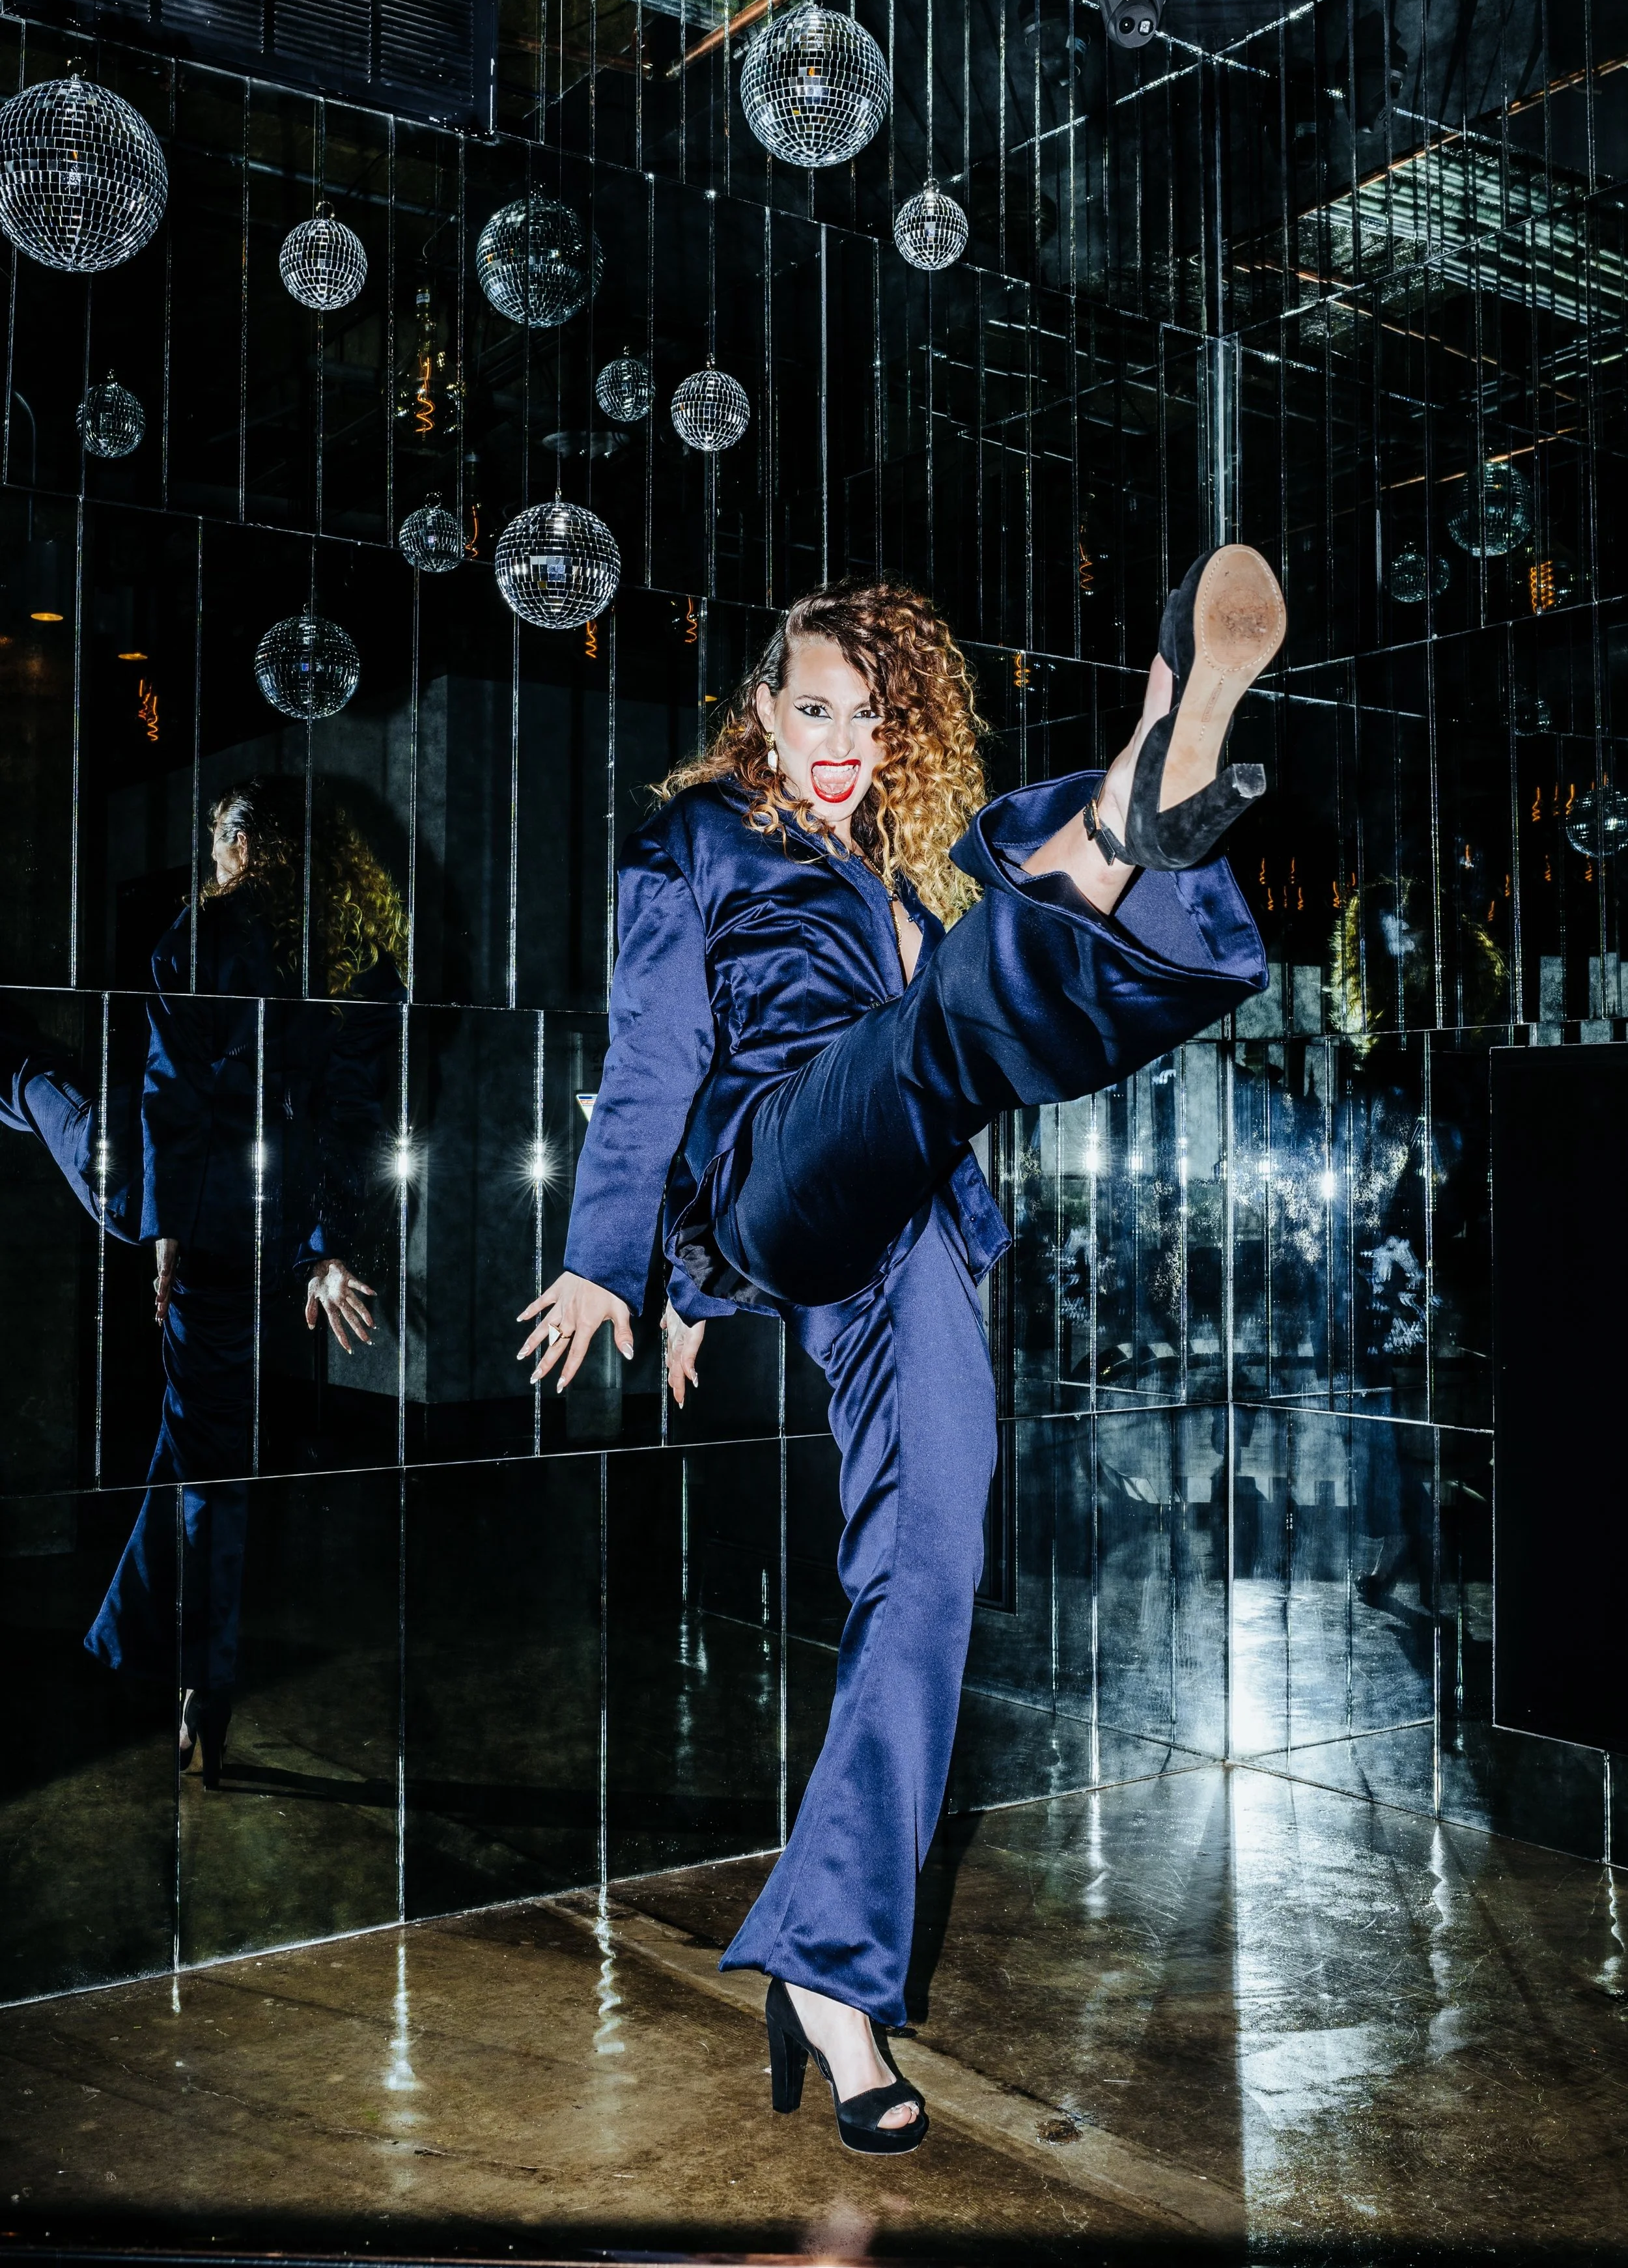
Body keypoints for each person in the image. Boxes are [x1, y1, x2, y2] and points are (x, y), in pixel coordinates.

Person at [518, 552, 1285, 2153]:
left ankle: (827, 1973)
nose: (843, 740)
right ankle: (1122, 817)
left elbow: (960, 1032)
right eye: (814, 710)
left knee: (929, 1573)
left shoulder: (894, 861)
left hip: (913, 1219)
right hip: (774, 1163)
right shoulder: (697, 843)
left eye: (873, 715)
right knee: (930, 1033)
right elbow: (651, 1058)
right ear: (760, 710)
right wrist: (616, 1262)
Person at [83, 778, 405, 1787]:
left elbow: (174, 1086)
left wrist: (168, 1234)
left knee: (46, 1095)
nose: (215, 856)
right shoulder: (360, 953)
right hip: (269, 1240)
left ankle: (183, 1672)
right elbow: (357, 1116)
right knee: (205, 1455)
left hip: (202, 1221)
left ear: (245, 843)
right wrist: (327, 1246)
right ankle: (194, 1682)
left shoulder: (209, 926)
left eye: (221, 836)